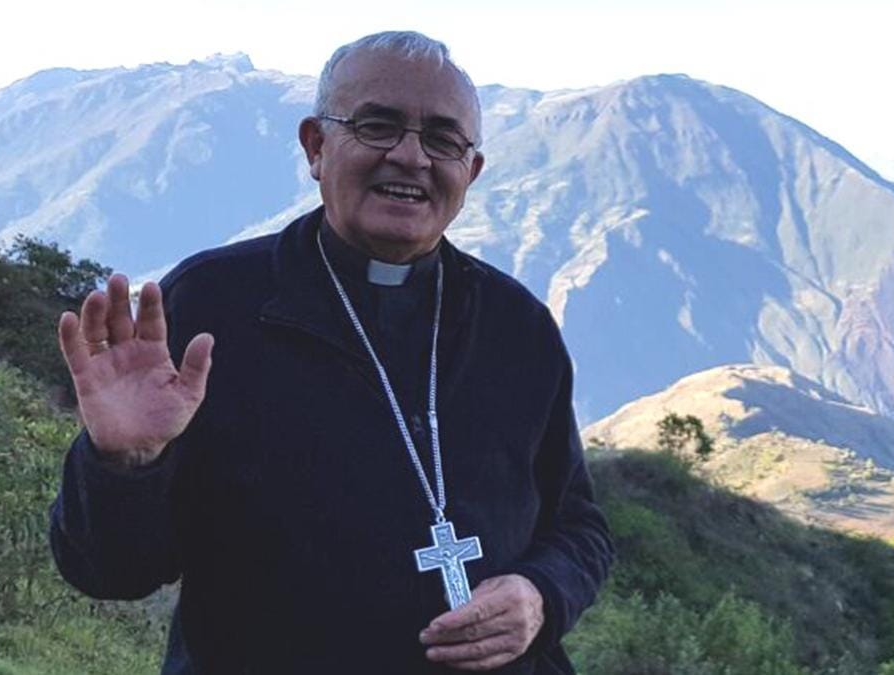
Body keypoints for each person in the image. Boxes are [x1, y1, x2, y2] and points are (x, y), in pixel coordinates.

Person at [49, 31, 613, 674]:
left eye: (443, 139)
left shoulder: (520, 328)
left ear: (471, 170)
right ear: (316, 146)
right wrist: (124, 464)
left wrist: (540, 595)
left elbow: (579, 526)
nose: (411, 157)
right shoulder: (210, 305)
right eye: (378, 125)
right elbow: (110, 573)